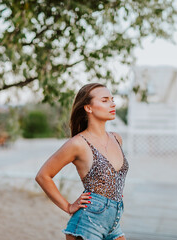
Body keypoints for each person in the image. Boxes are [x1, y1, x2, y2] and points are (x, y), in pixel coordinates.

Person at [35, 83, 129, 240]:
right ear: (88, 108)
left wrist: (113, 192)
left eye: (112, 99)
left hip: (114, 222)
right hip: (88, 223)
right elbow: (43, 176)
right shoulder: (78, 143)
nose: (112, 104)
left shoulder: (116, 138)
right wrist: (68, 206)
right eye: (105, 100)